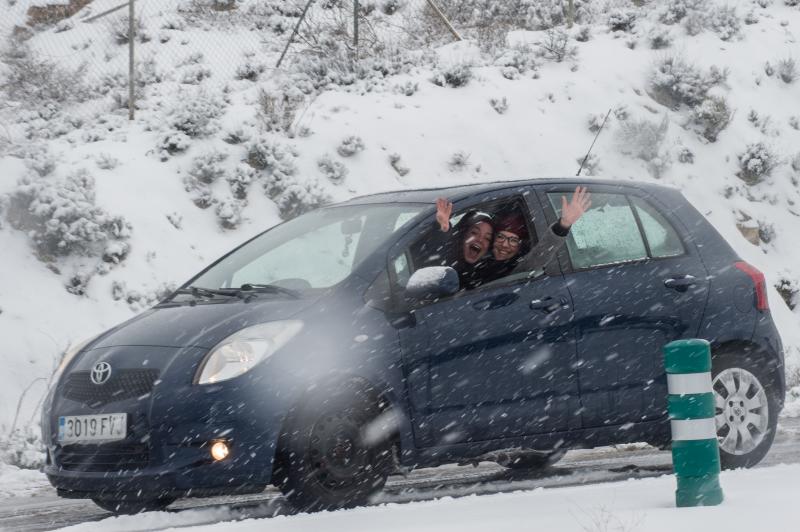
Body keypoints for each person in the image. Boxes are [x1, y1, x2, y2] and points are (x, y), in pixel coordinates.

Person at [434, 186, 592, 287]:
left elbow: (540, 254)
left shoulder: (517, 268)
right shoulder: (481, 261)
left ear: (519, 245)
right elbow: (454, 251)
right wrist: (444, 228)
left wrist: (563, 225)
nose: (504, 244)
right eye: (501, 237)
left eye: (513, 240)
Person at [414, 205, 495, 290]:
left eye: (487, 238)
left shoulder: (485, 272)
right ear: (463, 234)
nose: (480, 240)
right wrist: (443, 229)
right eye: (474, 232)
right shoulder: (443, 260)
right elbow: (438, 246)